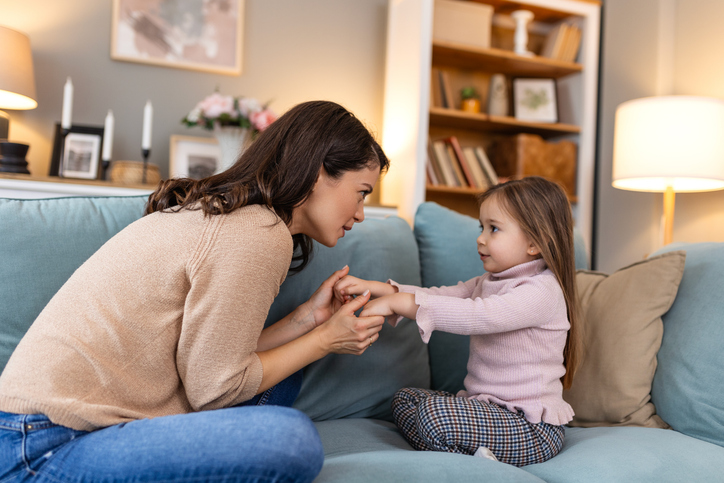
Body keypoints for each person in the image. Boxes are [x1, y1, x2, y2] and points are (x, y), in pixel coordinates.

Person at [0, 100, 389, 482]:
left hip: (50, 431)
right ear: (320, 173)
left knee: (284, 373)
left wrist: (308, 320)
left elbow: (216, 362)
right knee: (291, 441)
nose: (361, 213)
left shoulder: (235, 218)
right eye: (362, 192)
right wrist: (324, 340)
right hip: (39, 446)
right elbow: (217, 392)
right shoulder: (257, 233)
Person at [334, 176, 581, 467]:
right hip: (487, 412)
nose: (481, 238)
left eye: (494, 229)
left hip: (530, 428)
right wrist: (378, 288)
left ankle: (475, 461)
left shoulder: (542, 291)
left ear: (535, 243)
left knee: (432, 416)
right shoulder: (490, 280)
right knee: (404, 400)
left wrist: (398, 304)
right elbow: (440, 296)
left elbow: (478, 315)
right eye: (482, 227)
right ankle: (473, 455)